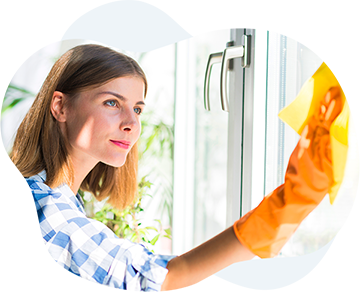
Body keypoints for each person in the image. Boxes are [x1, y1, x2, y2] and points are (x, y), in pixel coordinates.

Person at [11, 44, 342, 291]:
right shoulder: (49, 212)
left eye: (138, 109)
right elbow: (167, 280)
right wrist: (288, 204)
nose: (131, 123)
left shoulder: (54, 195)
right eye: (112, 103)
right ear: (60, 106)